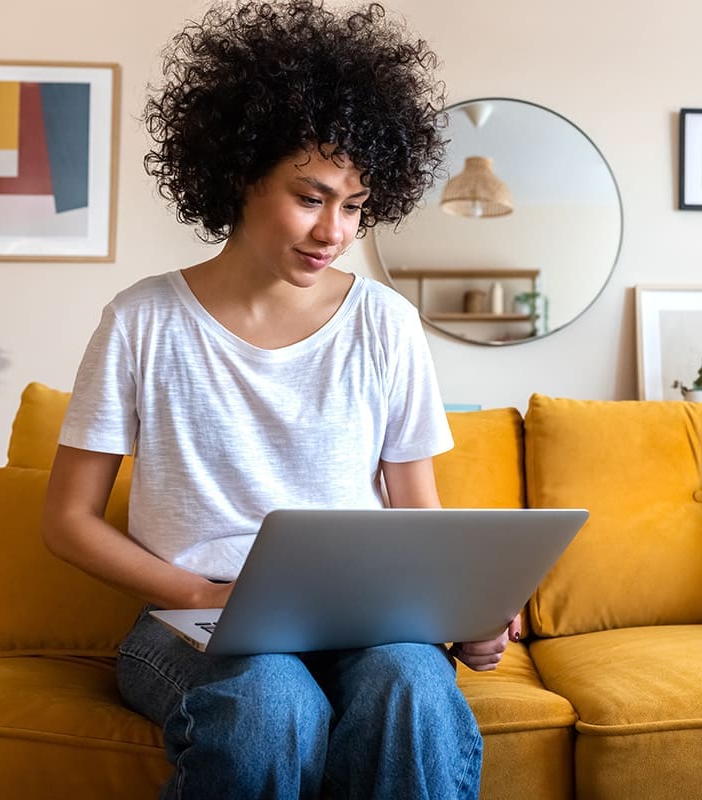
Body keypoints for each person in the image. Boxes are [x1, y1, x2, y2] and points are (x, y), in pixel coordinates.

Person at [43, 2, 521, 798]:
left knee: (412, 683)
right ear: (239, 173)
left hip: (362, 621)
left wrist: (461, 611)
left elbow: (416, 509)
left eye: (356, 205)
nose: (334, 229)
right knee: (270, 701)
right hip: (190, 625)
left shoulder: (386, 323)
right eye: (311, 196)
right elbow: (66, 521)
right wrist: (200, 593)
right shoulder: (142, 321)